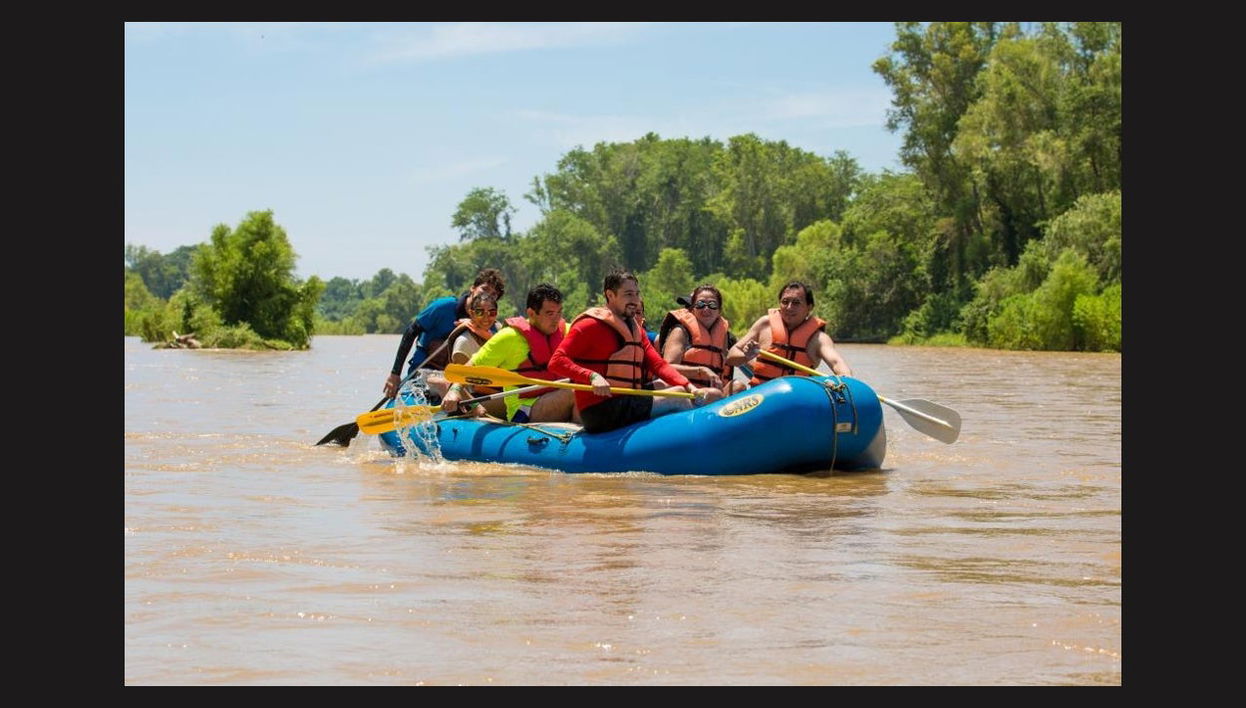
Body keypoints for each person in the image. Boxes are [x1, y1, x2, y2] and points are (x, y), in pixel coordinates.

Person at [548, 269, 723, 434]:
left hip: (627, 399)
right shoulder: (589, 325)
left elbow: (659, 365)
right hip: (600, 410)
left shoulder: (635, 329)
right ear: (610, 295)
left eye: (637, 294)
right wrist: (592, 377)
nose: (635, 300)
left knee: (670, 386)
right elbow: (556, 361)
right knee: (677, 396)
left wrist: (689, 386)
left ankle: (690, 430)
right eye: (628, 294)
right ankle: (699, 435)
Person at [440, 283, 577, 424]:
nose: (556, 319)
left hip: (558, 400)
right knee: (574, 394)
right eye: (550, 314)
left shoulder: (567, 332)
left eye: (559, 312)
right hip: (525, 410)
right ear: (531, 313)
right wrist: (454, 390)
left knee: (585, 394)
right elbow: (470, 368)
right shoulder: (509, 337)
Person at [382, 268, 505, 400]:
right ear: (473, 288)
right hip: (425, 372)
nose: (487, 295)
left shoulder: (490, 324)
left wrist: (478, 330)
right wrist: (395, 374)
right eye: (484, 289)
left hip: (459, 378)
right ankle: (471, 405)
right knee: (446, 384)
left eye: (493, 295)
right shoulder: (443, 307)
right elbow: (411, 331)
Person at [727, 280, 852, 386]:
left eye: (796, 303)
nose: (789, 307)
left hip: (796, 399)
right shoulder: (765, 324)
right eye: (785, 302)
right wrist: (746, 356)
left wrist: (847, 380)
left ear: (809, 307)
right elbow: (731, 356)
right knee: (737, 387)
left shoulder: (818, 338)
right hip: (763, 396)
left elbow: (837, 363)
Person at [657, 284, 750, 395]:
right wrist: (700, 371)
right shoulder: (680, 331)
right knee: (713, 393)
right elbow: (668, 368)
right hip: (687, 392)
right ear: (693, 308)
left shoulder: (724, 335)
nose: (706, 309)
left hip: (715, 395)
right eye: (700, 304)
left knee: (738, 386)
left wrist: (747, 355)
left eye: (712, 305)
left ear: (719, 311)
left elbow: (730, 360)